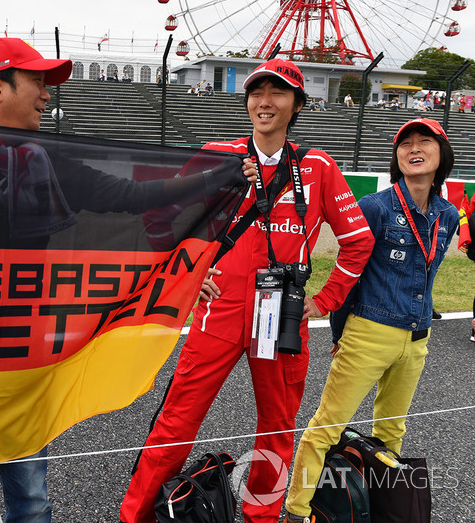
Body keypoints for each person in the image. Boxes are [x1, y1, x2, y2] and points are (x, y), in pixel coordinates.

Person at [0, 37, 258, 523]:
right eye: (37, 82)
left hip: (19, 355)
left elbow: (130, 197)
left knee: (32, 505)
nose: (47, 94)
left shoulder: (41, 158)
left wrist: (216, 179)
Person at [120, 59, 374, 523]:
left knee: (277, 428)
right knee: (177, 421)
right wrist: (188, 277)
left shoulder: (317, 166)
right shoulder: (219, 155)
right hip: (220, 308)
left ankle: (262, 517)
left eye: (277, 93)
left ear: (297, 104)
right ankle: (137, 516)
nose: (265, 101)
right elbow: (161, 218)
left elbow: (358, 241)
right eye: (257, 92)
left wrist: (325, 300)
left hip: (281, 312)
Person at [283, 117, 458, 522]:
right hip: (369, 331)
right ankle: (296, 511)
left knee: (392, 432)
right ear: (397, 158)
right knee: (327, 426)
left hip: (417, 339)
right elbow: (349, 272)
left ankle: (382, 507)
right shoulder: (375, 208)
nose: (414, 149)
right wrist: (342, 333)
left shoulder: (447, 214)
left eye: (424, 142)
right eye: (405, 144)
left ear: (441, 155)